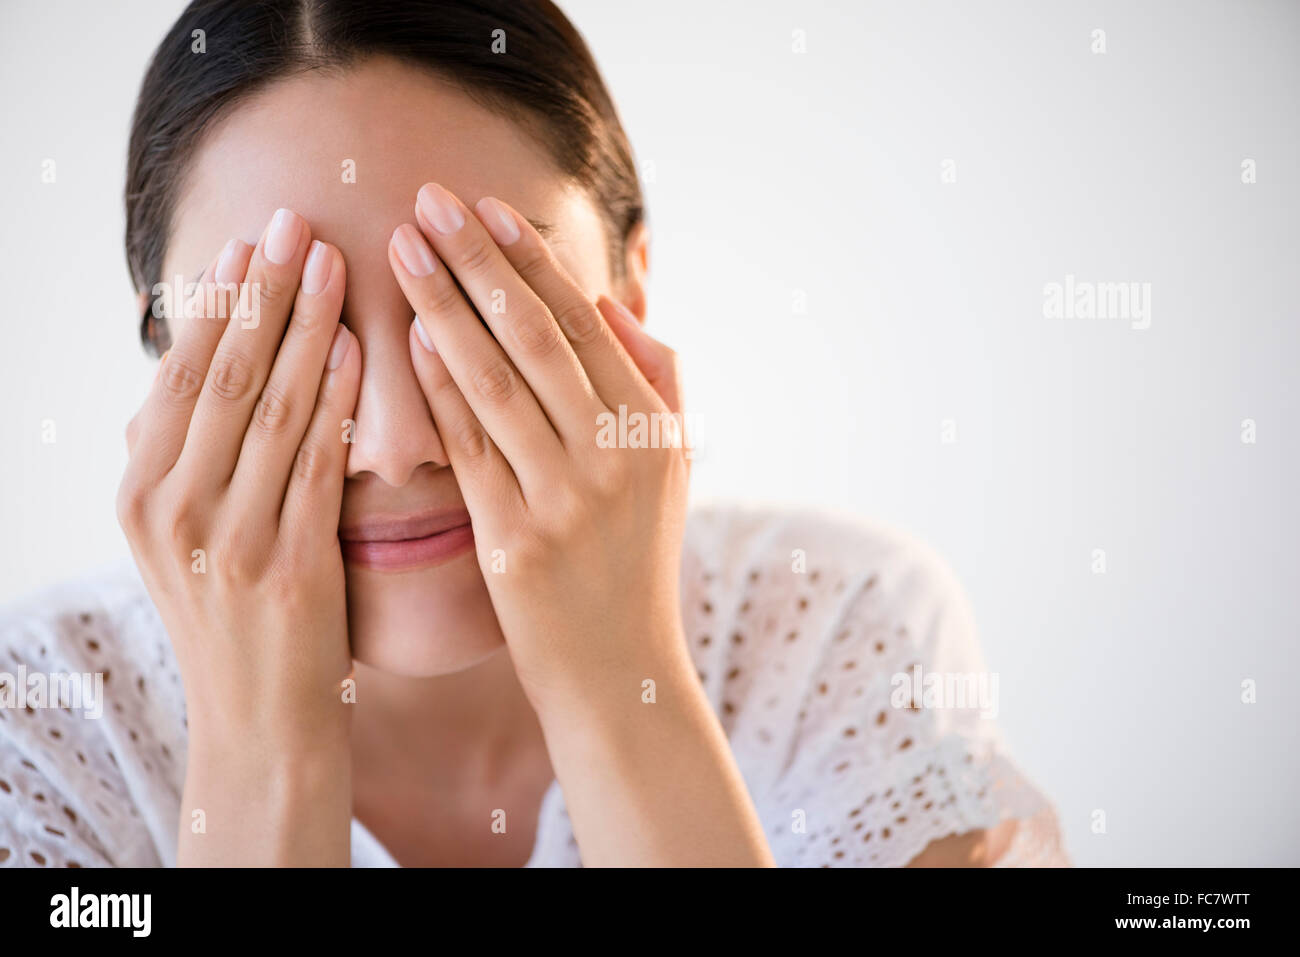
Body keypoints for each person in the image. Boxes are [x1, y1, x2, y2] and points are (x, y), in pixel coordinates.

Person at [0, 0, 1066, 867]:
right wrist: (262, 762)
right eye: (292, 341)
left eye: (480, 313)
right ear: (172, 351)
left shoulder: (840, 630)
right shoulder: (39, 726)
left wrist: (620, 688)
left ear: (630, 297)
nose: (392, 445)